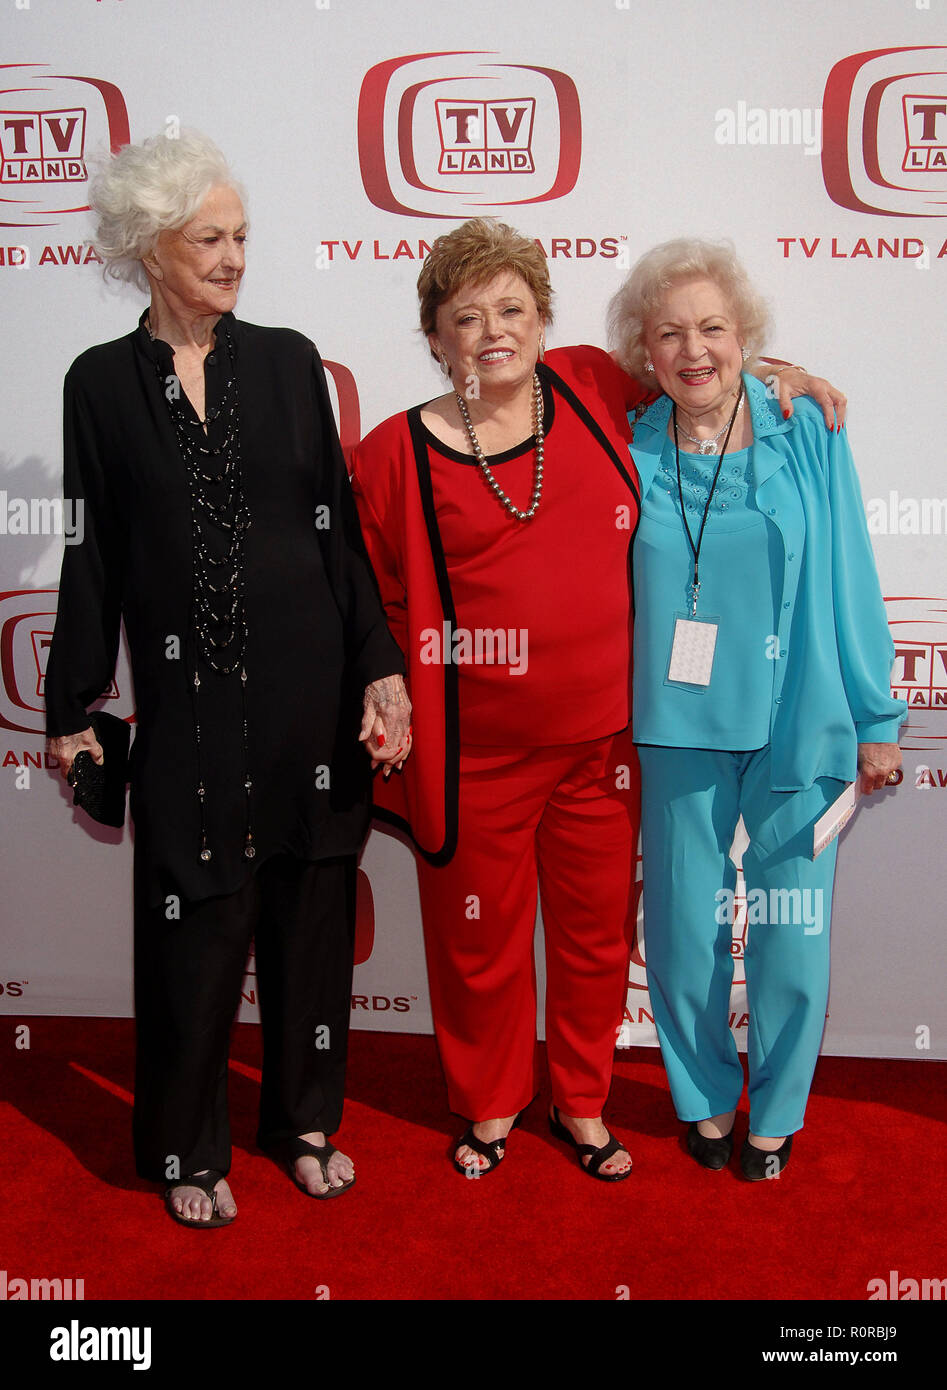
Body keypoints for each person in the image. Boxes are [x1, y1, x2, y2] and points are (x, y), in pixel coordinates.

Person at [350, 218, 842, 1181]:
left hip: (608, 744)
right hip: (474, 752)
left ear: (543, 320)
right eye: (466, 316)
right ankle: (489, 1107)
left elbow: (696, 363)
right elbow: (369, 595)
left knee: (590, 940)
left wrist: (781, 369)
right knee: (478, 941)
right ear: (434, 333)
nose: (493, 331)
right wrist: (386, 686)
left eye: (513, 309)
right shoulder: (390, 455)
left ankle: (580, 1103)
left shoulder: (585, 384)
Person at [45, 131, 409, 1226]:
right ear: (149, 248)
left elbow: (339, 535)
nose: (233, 256)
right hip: (190, 708)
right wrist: (71, 710)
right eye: (208, 238)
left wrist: (379, 669)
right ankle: (183, 1148)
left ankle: (302, 1120)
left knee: (309, 918)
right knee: (191, 936)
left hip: (309, 699)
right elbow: (90, 548)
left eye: (241, 235)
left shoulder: (290, 360)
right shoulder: (100, 384)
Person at [608, 238, 905, 1179]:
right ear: (643, 352)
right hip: (677, 727)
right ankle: (699, 1096)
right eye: (669, 333)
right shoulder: (625, 446)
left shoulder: (805, 427)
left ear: (746, 338)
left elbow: (851, 573)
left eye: (713, 328)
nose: (693, 350)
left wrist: (876, 716)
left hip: (798, 724)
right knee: (685, 930)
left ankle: (774, 1115)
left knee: (790, 937)